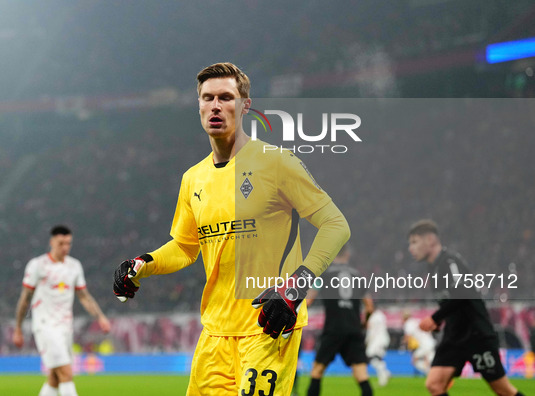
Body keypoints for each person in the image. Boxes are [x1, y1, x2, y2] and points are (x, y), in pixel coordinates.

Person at [113, 62, 350, 395]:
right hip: (215, 333)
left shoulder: (277, 162)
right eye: (207, 98)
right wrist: (143, 264)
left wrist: (296, 287)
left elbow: (336, 224)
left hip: (268, 323)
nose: (215, 105)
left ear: (245, 106)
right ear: (198, 106)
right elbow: (184, 247)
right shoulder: (193, 178)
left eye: (226, 97)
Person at [407, 219, 524, 396]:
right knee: (434, 384)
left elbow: (462, 292)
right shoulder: (433, 268)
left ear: (430, 240)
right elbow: (450, 301)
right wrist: (441, 320)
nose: (411, 248)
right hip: (454, 336)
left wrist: (435, 317)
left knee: (503, 390)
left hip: (476, 334)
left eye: (414, 242)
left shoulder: (449, 262)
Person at [13, 225, 111, 396]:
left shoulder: (74, 266)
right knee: (66, 372)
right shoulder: (37, 265)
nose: (65, 247)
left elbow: (84, 296)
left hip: (65, 327)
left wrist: (100, 317)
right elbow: (25, 298)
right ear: (52, 242)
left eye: (68, 243)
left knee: (55, 378)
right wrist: (18, 328)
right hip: (45, 326)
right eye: (61, 243)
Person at [306, 244, 374, 396]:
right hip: (354, 329)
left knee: (317, 371)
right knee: (361, 375)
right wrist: (364, 322)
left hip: (333, 328)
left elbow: (309, 300)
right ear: (348, 254)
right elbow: (369, 307)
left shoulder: (323, 274)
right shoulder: (357, 275)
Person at [402, 311, 436, 375]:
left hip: (425, 345)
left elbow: (407, 337)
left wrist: (403, 345)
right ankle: (432, 374)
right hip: (431, 343)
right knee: (430, 362)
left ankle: (430, 373)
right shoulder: (416, 320)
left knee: (415, 360)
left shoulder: (408, 323)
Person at [365, 308, 391, 386]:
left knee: (370, 356)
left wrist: (367, 341)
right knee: (377, 358)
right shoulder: (381, 315)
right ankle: (385, 374)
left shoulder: (372, 318)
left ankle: (384, 376)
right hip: (384, 339)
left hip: (377, 341)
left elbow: (371, 332)